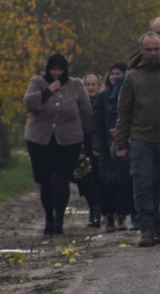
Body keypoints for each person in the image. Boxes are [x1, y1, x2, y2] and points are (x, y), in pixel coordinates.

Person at [115, 32, 160, 247]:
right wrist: (122, 143)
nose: (153, 53)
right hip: (141, 138)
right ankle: (147, 228)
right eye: (148, 49)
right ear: (141, 50)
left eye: (156, 48)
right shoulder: (132, 77)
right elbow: (124, 111)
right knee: (142, 184)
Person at [23, 54, 92, 236]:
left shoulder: (76, 84)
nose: (56, 73)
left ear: (65, 70)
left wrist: (89, 138)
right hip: (40, 142)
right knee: (46, 182)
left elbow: (86, 111)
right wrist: (49, 91)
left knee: (60, 179)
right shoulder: (38, 82)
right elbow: (29, 103)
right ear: (48, 69)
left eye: (60, 69)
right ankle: (49, 218)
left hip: (69, 142)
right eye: (53, 69)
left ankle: (59, 220)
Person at [90, 63, 129, 233]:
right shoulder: (102, 97)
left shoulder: (128, 94)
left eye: (118, 73)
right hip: (106, 147)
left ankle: (122, 216)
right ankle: (110, 217)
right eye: (112, 73)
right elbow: (96, 123)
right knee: (107, 184)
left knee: (123, 182)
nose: (115, 76)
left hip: (125, 144)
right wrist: (97, 144)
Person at [80, 71, 104, 228]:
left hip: (98, 143)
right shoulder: (79, 101)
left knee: (98, 178)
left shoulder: (101, 100)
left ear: (99, 85)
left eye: (93, 84)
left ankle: (98, 210)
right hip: (81, 144)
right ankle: (92, 208)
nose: (90, 87)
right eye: (87, 84)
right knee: (84, 179)